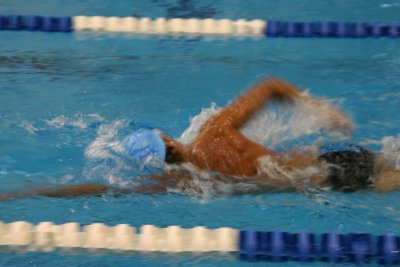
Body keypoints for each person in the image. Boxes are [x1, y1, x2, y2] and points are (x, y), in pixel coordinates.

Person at [1, 77, 400, 201]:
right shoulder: (215, 132)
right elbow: (271, 86)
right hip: (335, 161)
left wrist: (25, 193)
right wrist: (321, 109)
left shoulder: (186, 182)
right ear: (169, 140)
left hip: (325, 181)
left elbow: (101, 189)